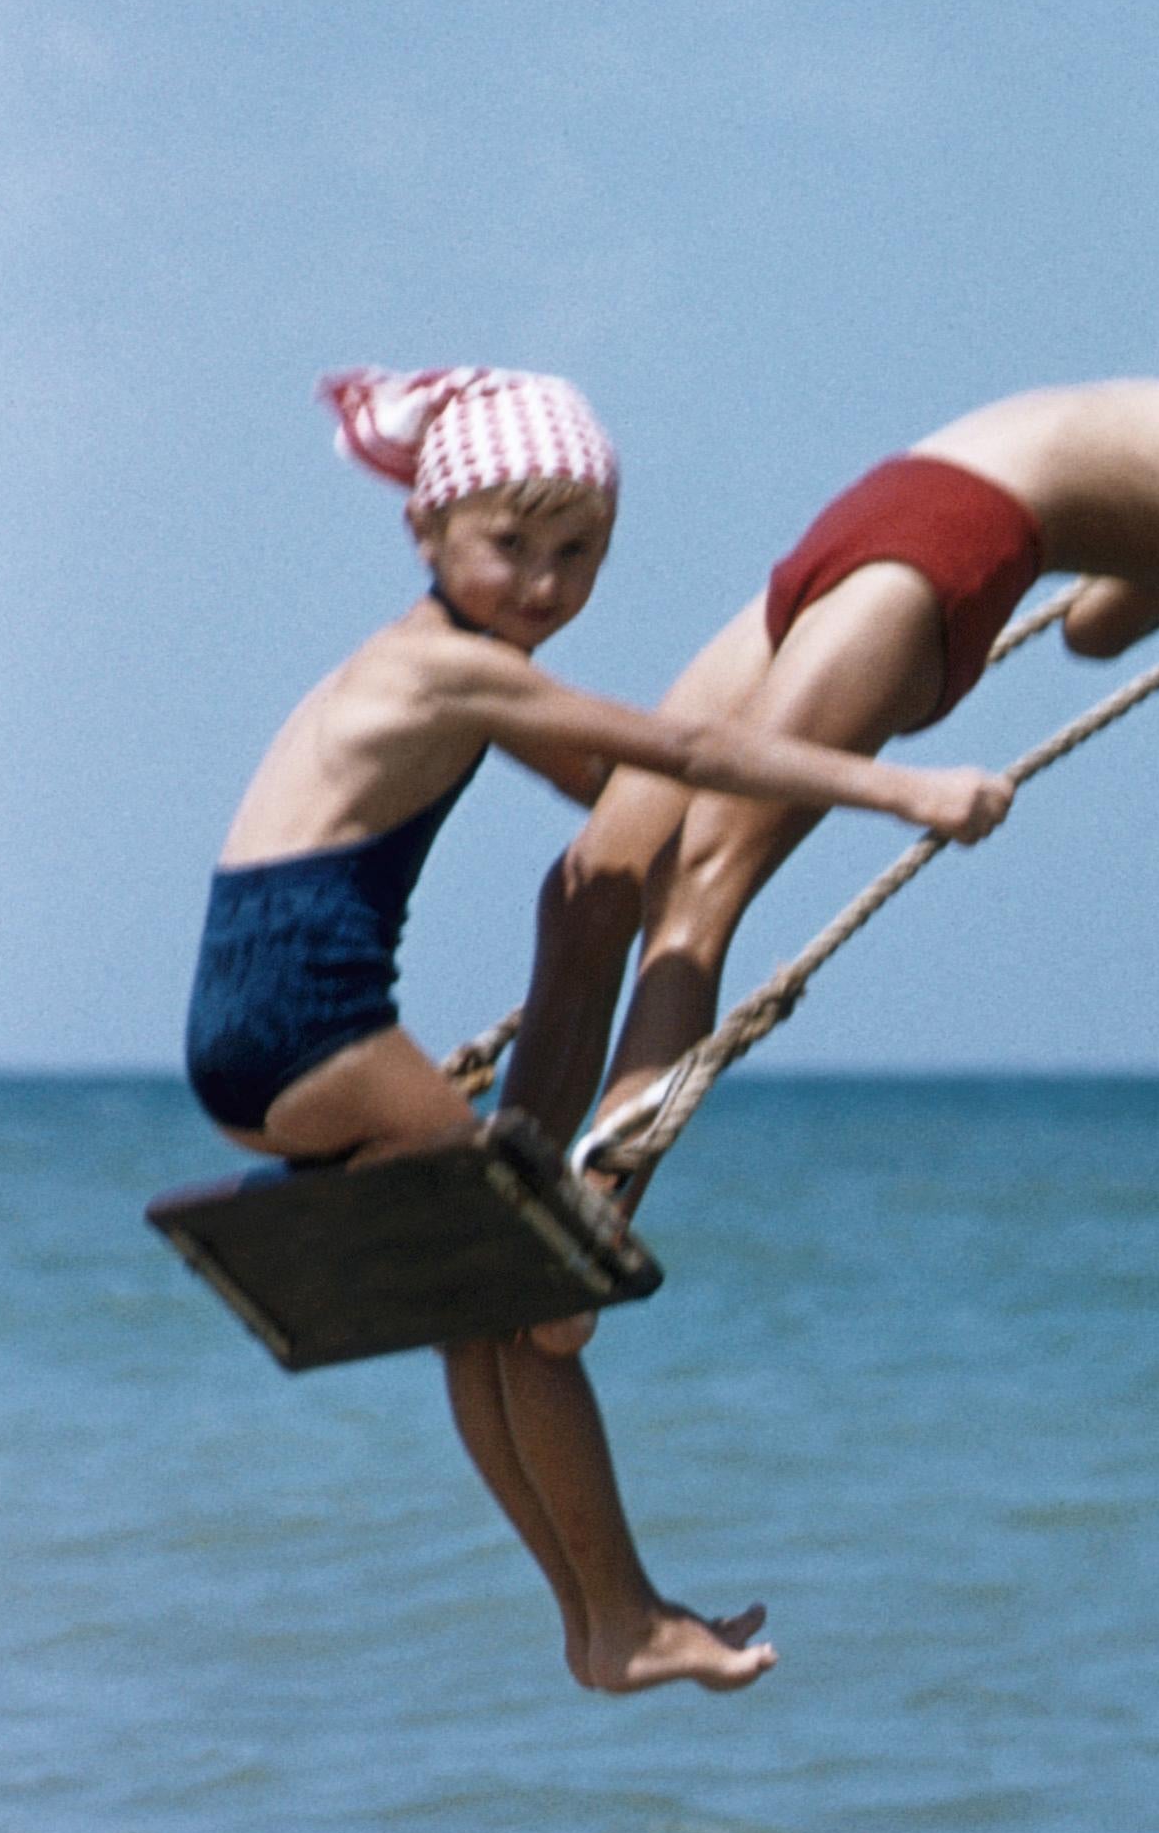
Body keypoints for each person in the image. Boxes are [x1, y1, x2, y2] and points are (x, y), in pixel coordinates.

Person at [187, 366, 1012, 1695]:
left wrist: (814, 720)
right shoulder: (446, 672)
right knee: (539, 1284)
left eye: (578, 554)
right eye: (510, 545)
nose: (543, 581)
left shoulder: (441, 669)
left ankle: (596, 1620)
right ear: (427, 533)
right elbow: (676, 753)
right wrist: (898, 783)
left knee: (477, 1313)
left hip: (252, 1039)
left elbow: (616, 785)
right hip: (309, 1025)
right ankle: (621, 1612)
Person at [503, 170, 1159, 1147]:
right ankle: (517, 1166)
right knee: (592, 879)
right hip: (868, 528)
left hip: (930, 554)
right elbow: (1092, 628)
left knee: (704, 879)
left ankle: (604, 1183)